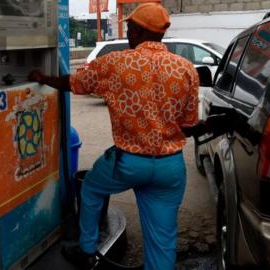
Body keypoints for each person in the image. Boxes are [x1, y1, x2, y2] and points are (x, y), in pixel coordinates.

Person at [29, 3, 201, 269]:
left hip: (127, 163)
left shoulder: (116, 62)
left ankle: (87, 250)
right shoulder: (186, 68)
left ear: (139, 31)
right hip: (170, 167)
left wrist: (43, 77)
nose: (128, 31)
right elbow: (189, 124)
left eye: (130, 27)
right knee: (162, 239)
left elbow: (74, 83)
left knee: (91, 189)